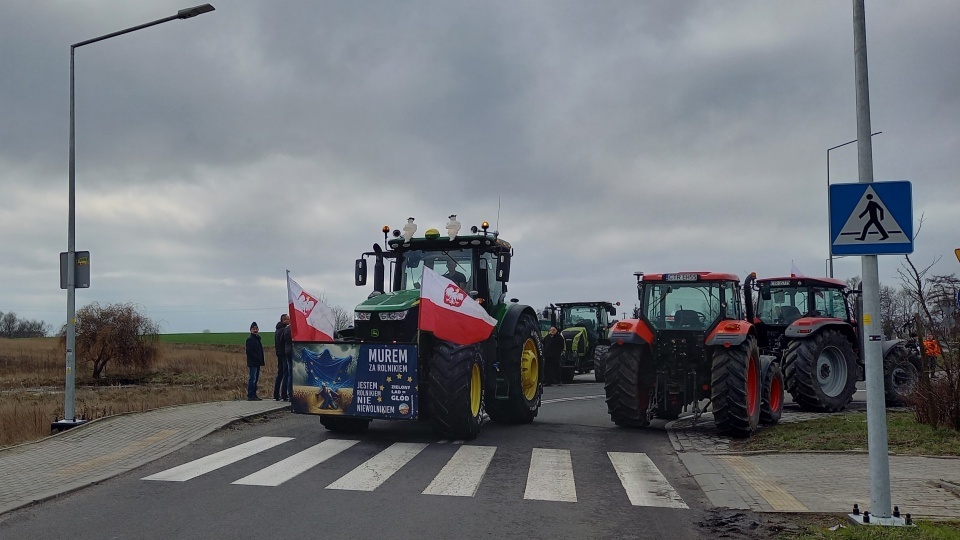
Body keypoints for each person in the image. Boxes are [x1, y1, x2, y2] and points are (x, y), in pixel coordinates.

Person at [245, 322, 264, 401]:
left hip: (258, 362)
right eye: (253, 329)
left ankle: (254, 394)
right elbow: (249, 351)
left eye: (256, 329)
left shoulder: (258, 339)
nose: (255, 330)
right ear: (250, 330)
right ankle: (250, 395)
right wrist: (256, 358)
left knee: (256, 379)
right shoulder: (250, 339)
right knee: (252, 379)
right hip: (253, 362)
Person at [273, 314, 290, 401]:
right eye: (287, 319)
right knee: (286, 373)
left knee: (280, 374)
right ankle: (284, 394)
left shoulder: (277, 329)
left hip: (279, 354)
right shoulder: (284, 329)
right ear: (283, 320)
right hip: (284, 354)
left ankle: (276, 394)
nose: (289, 320)